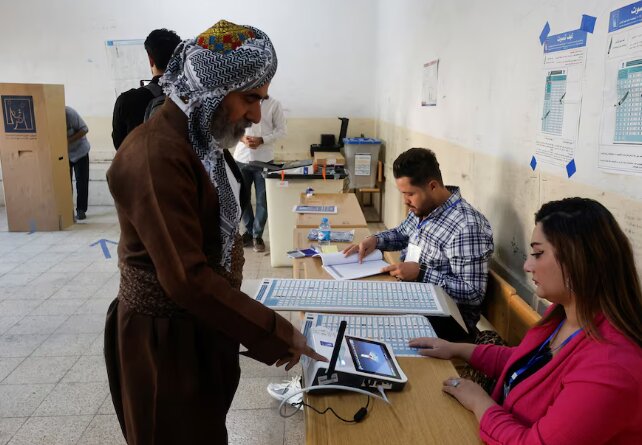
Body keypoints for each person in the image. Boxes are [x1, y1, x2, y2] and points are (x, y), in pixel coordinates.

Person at [104, 20, 326, 444]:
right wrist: (278, 333)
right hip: (163, 343)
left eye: (261, 98)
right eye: (250, 98)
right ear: (211, 87)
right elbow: (187, 279)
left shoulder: (197, 139)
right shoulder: (157, 155)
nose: (257, 114)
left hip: (199, 329)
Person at [410, 197, 642, 444]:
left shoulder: (611, 368)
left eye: (538, 253)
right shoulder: (565, 315)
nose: (528, 265)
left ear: (578, 260)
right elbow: (525, 362)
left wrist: (480, 402)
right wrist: (456, 349)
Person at [343, 147, 494, 335]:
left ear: (432, 186)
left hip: (447, 322)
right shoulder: (423, 207)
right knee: (354, 306)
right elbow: (402, 233)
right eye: (402, 193)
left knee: (364, 326)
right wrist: (375, 240)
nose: (405, 201)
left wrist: (421, 273)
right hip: (413, 298)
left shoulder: (466, 227)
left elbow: (473, 293)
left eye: (410, 193)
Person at [111, 28, 181, 149]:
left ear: (150, 60)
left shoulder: (127, 101)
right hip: (184, 167)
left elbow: (120, 146)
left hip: (139, 166)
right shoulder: (195, 97)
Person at [233, 95, 286, 252]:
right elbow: (233, 126)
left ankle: (257, 235)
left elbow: (282, 131)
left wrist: (262, 140)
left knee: (263, 200)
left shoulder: (274, 104)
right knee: (243, 198)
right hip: (241, 159)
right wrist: (242, 139)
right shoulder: (239, 101)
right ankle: (248, 232)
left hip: (265, 160)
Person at [65, 106, 90, 220]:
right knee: (65, 183)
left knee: (81, 182)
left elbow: (84, 129)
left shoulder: (69, 113)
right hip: (64, 154)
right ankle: (66, 210)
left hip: (80, 152)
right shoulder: (49, 118)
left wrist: (68, 140)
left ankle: (81, 210)